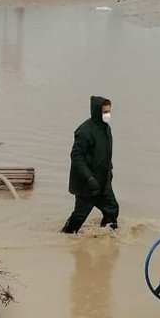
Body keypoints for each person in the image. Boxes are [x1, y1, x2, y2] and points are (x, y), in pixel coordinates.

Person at [62, 95, 119, 234]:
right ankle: (66, 237)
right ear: (96, 111)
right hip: (87, 185)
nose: (107, 115)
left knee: (112, 209)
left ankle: (106, 238)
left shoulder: (106, 129)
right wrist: (89, 178)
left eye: (109, 111)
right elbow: (76, 157)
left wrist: (109, 170)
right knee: (79, 216)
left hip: (104, 182)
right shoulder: (84, 131)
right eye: (105, 112)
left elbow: (106, 152)